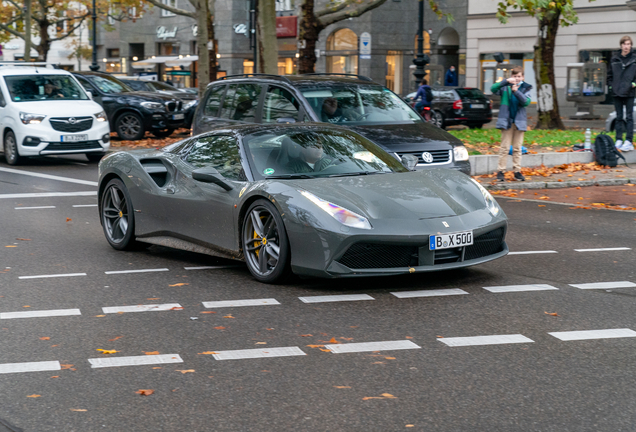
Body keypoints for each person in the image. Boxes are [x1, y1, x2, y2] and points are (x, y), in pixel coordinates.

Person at [491, 66, 532, 182]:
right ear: (511, 77)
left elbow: (525, 102)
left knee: (517, 148)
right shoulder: (505, 87)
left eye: (519, 76)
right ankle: (501, 171)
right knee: (504, 148)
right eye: (514, 76)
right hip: (506, 121)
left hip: (519, 122)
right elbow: (493, 89)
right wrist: (505, 82)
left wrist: (516, 91)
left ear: (522, 77)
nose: (517, 78)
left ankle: (517, 171)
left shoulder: (526, 88)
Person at [607, 35, 636, 152]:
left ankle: (628, 141)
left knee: (629, 117)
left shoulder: (634, 59)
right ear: (621, 45)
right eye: (624, 44)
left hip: (629, 92)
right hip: (617, 92)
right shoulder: (614, 59)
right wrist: (611, 86)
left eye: (629, 44)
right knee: (619, 117)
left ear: (631, 45)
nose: (626, 46)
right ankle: (618, 139)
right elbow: (609, 75)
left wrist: (633, 85)